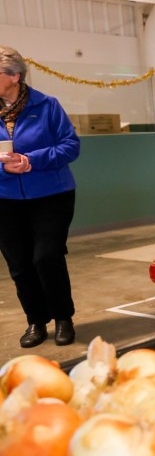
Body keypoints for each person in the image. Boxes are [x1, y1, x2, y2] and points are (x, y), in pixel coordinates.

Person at [0, 46, 81, 348]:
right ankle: (35, 320)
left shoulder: (47, 106)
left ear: (14, 76)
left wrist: (31, 159)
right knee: (19, 263)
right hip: (4, 197)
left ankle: (63, 318)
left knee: (46, 257)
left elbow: (70, 146)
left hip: (52, 195)